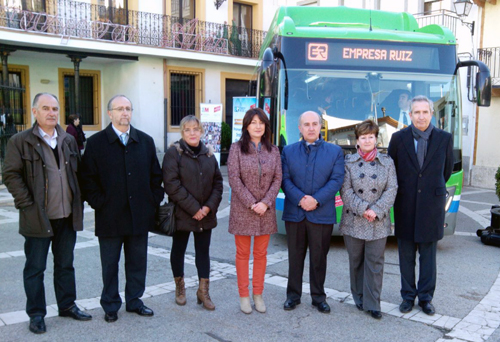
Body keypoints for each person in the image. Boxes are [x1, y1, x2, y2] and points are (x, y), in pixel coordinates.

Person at [3, 93, 92, 334]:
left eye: (55, 108)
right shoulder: (20, 141)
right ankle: (36, 314)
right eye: (45, 108)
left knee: (65, 265)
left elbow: (78, 173)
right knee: (35, 269)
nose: (51, 112)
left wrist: (81, 201)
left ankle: (67, 305)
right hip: (38, 218)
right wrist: (26, 203)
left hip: (66, 216)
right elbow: (10, 174)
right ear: (34, 112)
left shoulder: (67, 140)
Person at [80, 95, 163, 323]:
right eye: (119, 109)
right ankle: (110, 305)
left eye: (128, 108)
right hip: (110, 217)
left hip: (139, 216)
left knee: (137, 262)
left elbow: (156, 176)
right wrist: (99, 202)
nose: (124, 113)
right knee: (110, 265)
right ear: (110, 113)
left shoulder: (144, 141)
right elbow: (87, 180)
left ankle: (134, 301)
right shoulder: (96, 143)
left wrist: (152, 200)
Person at [388, 95, 453, 316]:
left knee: (428, 257)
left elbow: (446, 171)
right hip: (405, 205)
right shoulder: (398, 139)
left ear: (431, 114)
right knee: (405, 256)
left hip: (431, 207)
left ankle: (425, 298)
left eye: (425, 112)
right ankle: (408, 296)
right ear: (410, 114)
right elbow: (392, 171)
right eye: (417, 112)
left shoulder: (445, 138)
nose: (421, 116)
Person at [281, 111, 345, 314]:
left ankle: (318, 297)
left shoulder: (335, 152)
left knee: (319, 258)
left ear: (320, 126)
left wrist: (315, 200)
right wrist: (301, 199)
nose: (311, 128)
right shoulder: (288, 151)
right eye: (306, 124)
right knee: (295, 257)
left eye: (314, 124)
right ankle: (293, 296)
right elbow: (285, 179)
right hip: (295, 213)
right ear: (299, 128)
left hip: (322, 213)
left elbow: (336, 180)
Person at [163, 115, 223, 310]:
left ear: (201, 132)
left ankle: (203, 292)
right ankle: (180, 288)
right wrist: (194, 208)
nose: (192, 133)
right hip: (182, 213)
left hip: (205, 215)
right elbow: (172, 185)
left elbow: (218, 184)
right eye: (188, 129)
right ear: (182, 132)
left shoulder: (208, 154)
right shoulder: (174, 153)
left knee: (203, 253)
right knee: (178, 250)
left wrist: (207, 208)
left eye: (196, 129)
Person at [339, 120, 398, 320]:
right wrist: (364, 208)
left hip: (378, 221)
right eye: (363, 137)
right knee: (356, 261)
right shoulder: (348, 162)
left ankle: (373, 303)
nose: (367, 140)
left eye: (370, 137)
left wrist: (376, 209)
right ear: (357, 140)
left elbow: (392, 189)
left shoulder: (387, 162)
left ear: (376, 138)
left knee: (375, 263)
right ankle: (359, 297)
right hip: (353, 219)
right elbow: (345, 190)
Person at [227, 108, 282, 314]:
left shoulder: (273, 150)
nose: (258, 126)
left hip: (265, 211)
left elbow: (278, 179)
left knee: (261, 255)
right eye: (253, 122)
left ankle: (258, 294)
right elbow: (234, 178)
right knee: (242, 254)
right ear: (246, 126)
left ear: (266, 126)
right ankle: (243, 296)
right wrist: (252, 203)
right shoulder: (236, 149)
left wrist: (266, 203)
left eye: (261, 122)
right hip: (243, 210)